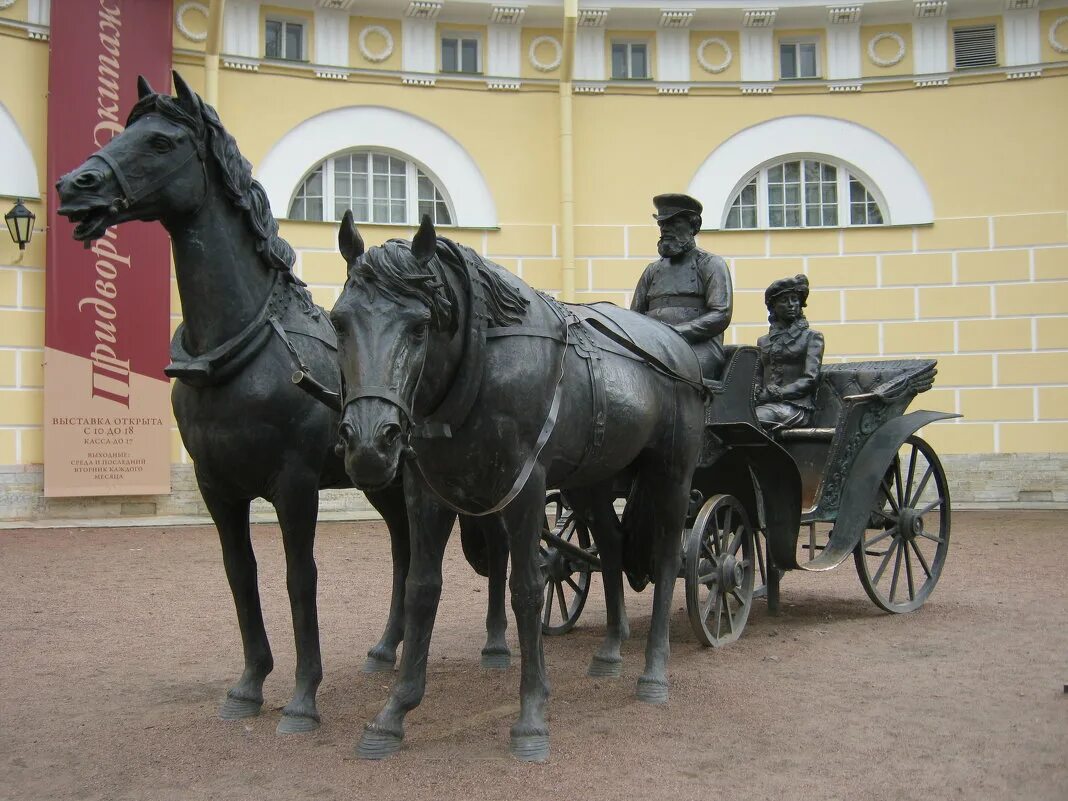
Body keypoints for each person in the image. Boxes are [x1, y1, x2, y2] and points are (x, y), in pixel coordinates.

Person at [630, 193, 733, 382]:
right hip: (654, 347)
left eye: (673, 223)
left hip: (699, 350)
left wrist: (676, 334)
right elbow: (635, 316)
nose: (665, 229)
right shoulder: (652, 270)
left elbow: (721, 313)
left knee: (666, 370)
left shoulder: (711, 264)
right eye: (662, 224)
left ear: (693, 226)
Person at [756, 274, 824, 429]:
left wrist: (778, 393)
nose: (791, 304)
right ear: (773, 306)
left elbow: (810, 379)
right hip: (765, 404)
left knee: (755, 418)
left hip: (796, 407)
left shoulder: (812, 337)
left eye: (795, 299)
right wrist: (755, 391)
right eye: (784, 300)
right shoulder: (763, 341)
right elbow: (758, 375)